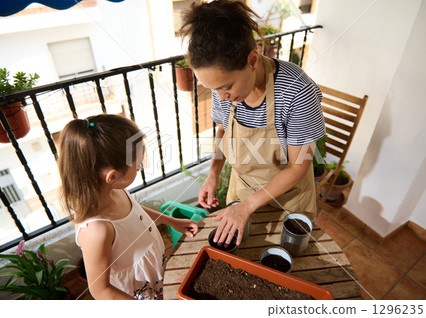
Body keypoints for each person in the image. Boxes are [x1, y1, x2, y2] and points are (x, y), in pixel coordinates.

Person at [181, 0, 325, 247]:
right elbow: (223, 129)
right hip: (243, 189)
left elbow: (299, 167)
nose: (221, 96)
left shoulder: (297, 92)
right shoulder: (221, 90)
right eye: (213, 89)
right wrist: (213, 173)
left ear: (252, 59)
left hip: (288, 199)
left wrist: (249, 206)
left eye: (226, 87)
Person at [58, 114, 198, 300]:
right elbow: (100, 290)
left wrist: (171, 221)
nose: (140, 167)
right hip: (136, 293)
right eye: (138, 165)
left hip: (154, 273)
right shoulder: (96, 230)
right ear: (113, 176)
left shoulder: (112, 190)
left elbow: (134, 211)